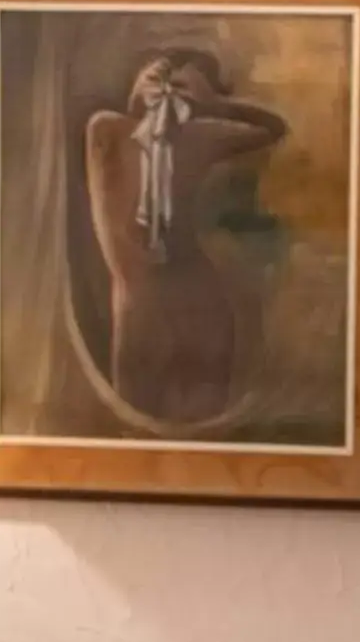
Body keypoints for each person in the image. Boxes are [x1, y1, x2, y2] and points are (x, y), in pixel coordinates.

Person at [84, 47, 285, 429]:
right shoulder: (107, 130)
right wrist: (143, 99)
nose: (164, 88)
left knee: (200, 432)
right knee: (133, 430)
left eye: (177, 85)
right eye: (158, 75)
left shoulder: (199, 136)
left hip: (200, 307)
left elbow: (274, 129)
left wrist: (217, 107)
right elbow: (121, 119)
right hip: (138, 309)